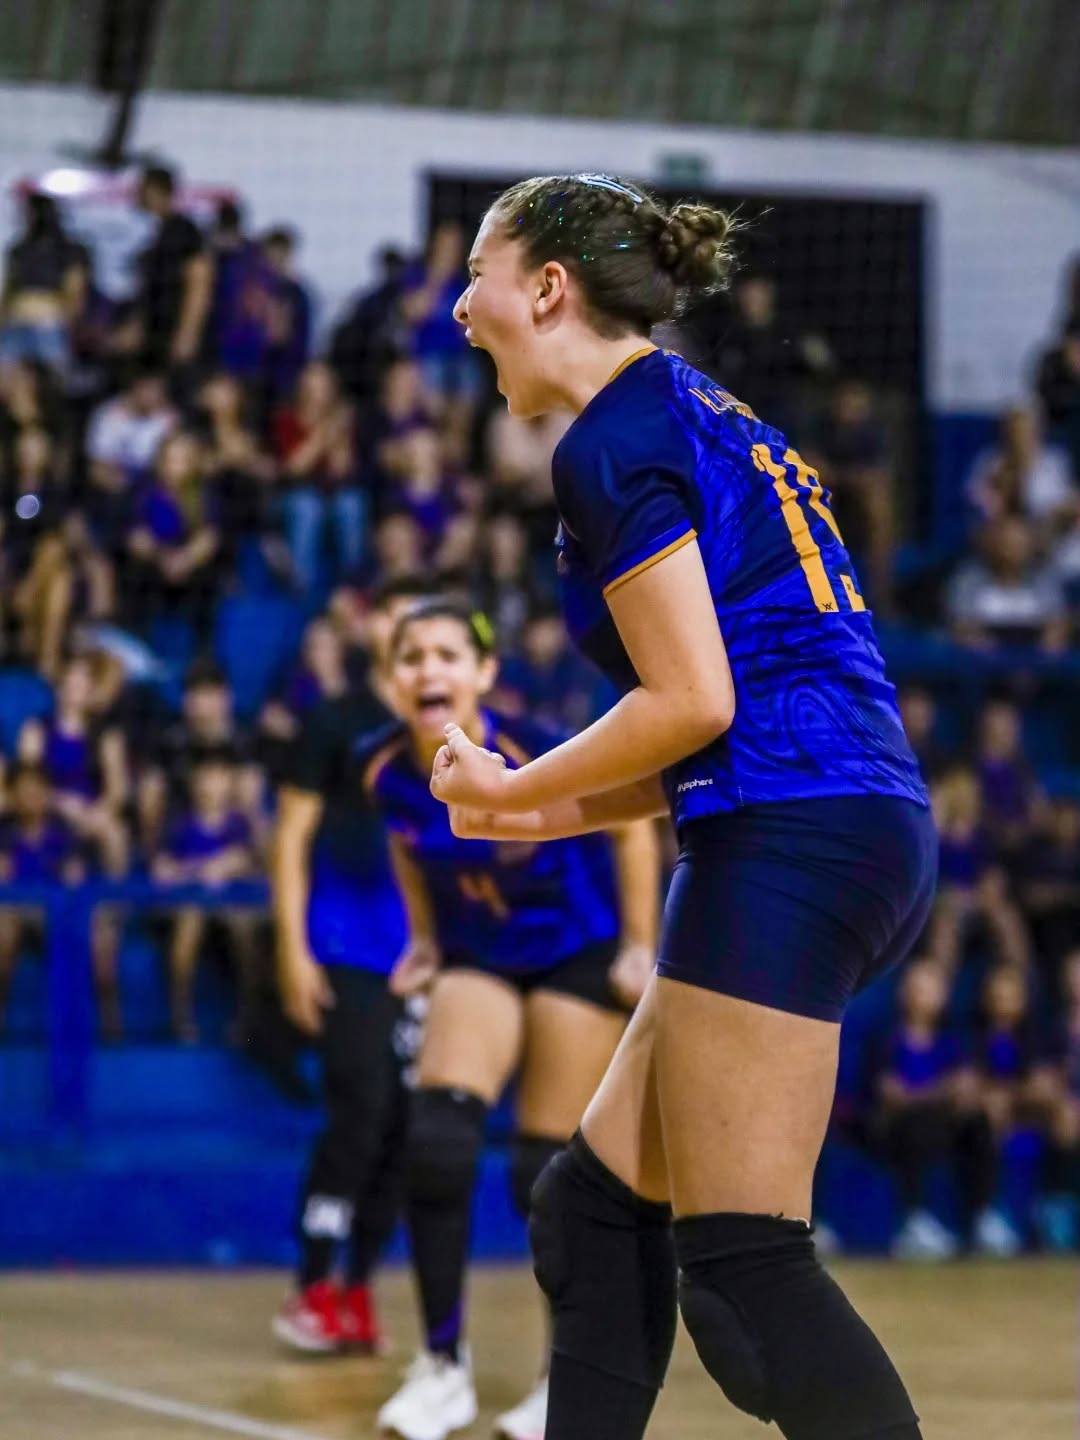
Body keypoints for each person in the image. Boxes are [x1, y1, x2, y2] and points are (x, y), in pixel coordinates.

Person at [428, 173, 938, 1440]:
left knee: (749, 1276)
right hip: (828, 819)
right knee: (592, 1214)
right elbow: (721, 714)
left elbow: (692, 699)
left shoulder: (611, 442)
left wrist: (515, 781)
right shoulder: (692, 410)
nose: (460, 307)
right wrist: (535, 818)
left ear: (549, 289)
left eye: (478, 274)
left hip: (792, 837)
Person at [366, 599, 659, 1440]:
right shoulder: (383, 770)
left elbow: (633, 830)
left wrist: (639, 944)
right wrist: (424, 936)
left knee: (546, 1175)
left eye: (448, 654)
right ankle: (442, 1367)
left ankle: (559, 1381)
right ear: (391, 681)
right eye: (411, 656)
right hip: (479, 953)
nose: (429, 669)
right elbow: (405, 844)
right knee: (438, 1142)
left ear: (484, 674)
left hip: (575, 947)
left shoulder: (537, 745)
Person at [272, 579, 426, 1353]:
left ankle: (358, 1287)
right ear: (370, 629)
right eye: (395, 615)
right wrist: (292, 951)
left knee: (407, 1132)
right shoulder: (334, 721)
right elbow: (291, 838)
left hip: (422, 962)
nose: (408, 630)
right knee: (360, 1115)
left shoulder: (443, 730)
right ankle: (311, 1287)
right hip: (345, 950)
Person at [0, 190, 88, 373]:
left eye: (29, 212)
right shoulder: (19, 249)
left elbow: (75, 290)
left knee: (52, 380)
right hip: (16, 323)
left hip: (49, 324)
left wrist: (67, 321)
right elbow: (9, 288)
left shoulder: (68, 249)